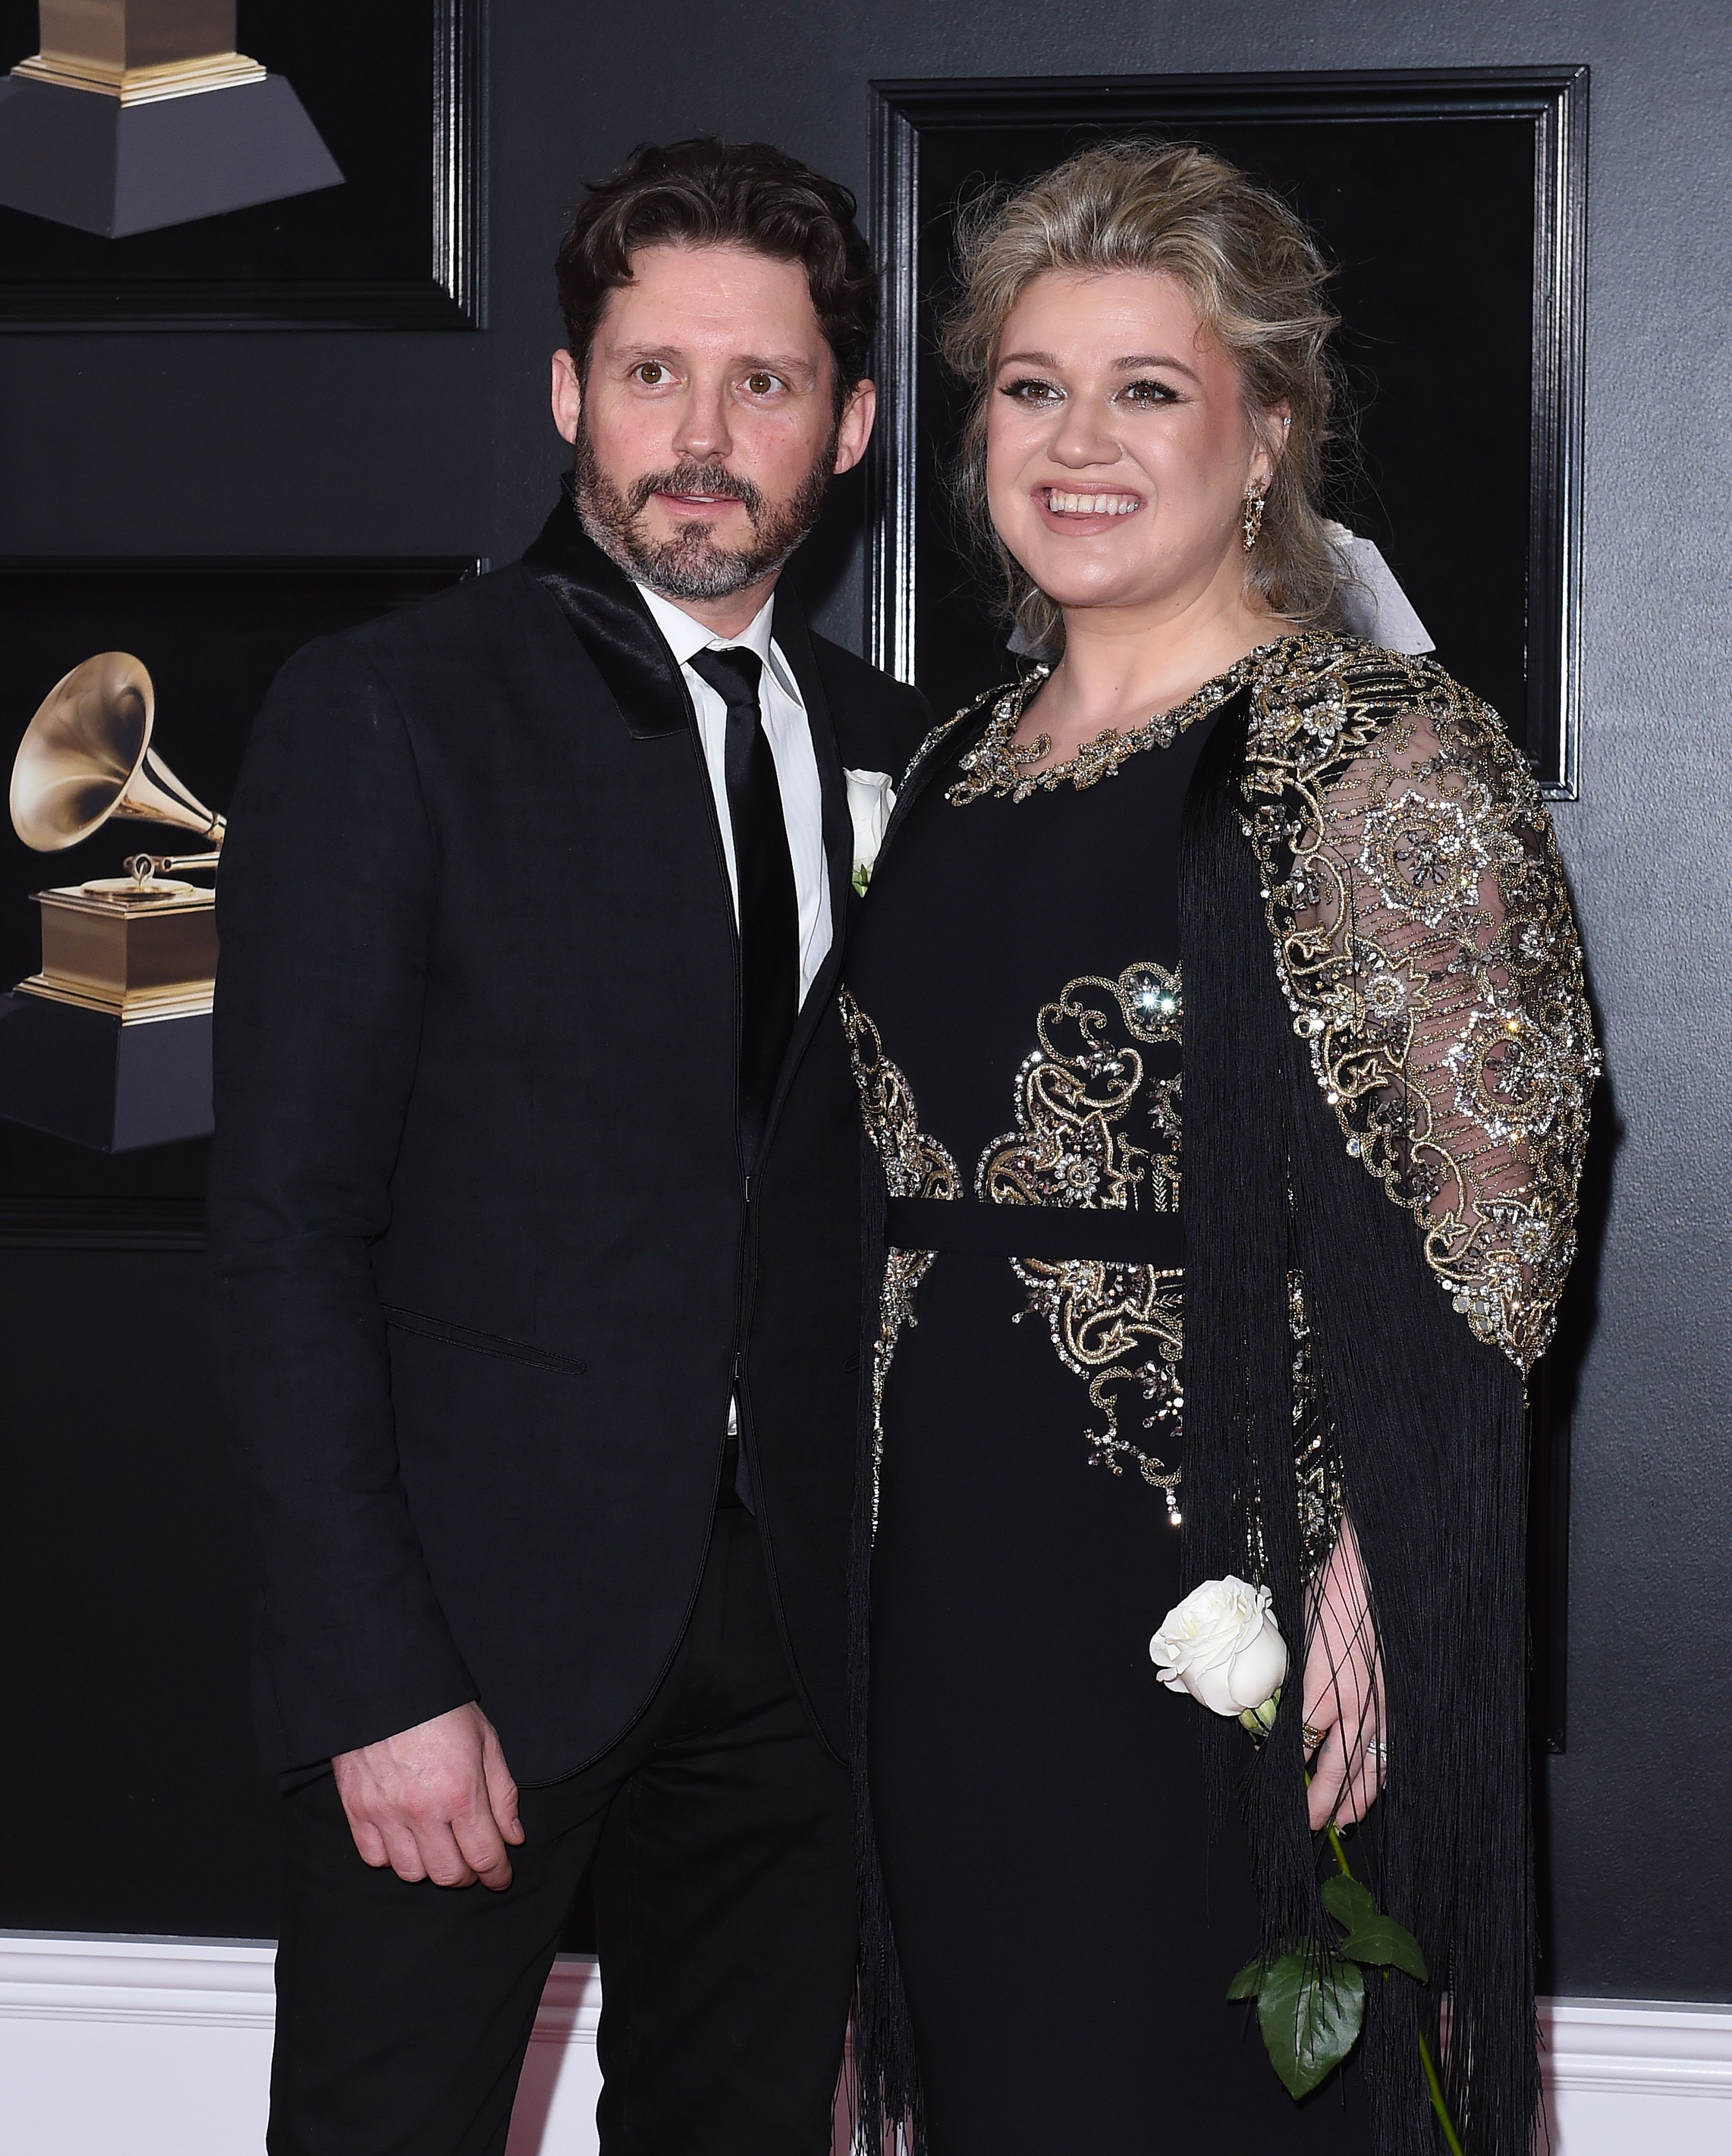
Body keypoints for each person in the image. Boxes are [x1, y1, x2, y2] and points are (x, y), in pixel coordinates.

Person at [841, 141, 1595, 2156]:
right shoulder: (947, 765)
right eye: (1028, 388)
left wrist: (1383, 1580)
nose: (1074, 442)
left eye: (1144, 390)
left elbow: (1502, 1205)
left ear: (1261, 431)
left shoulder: (1374, 753)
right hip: (940, 1617)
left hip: (1227, 1614)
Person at [208, 137, 929, 2156]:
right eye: (649, 374)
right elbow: (284, 1228)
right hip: (468, 1648)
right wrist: (371, 1677)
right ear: (565, 395)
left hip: (799, 1647)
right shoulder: (393, 713)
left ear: (848, 426)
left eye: (762, 383)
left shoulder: (910, 755)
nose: (699, 438)